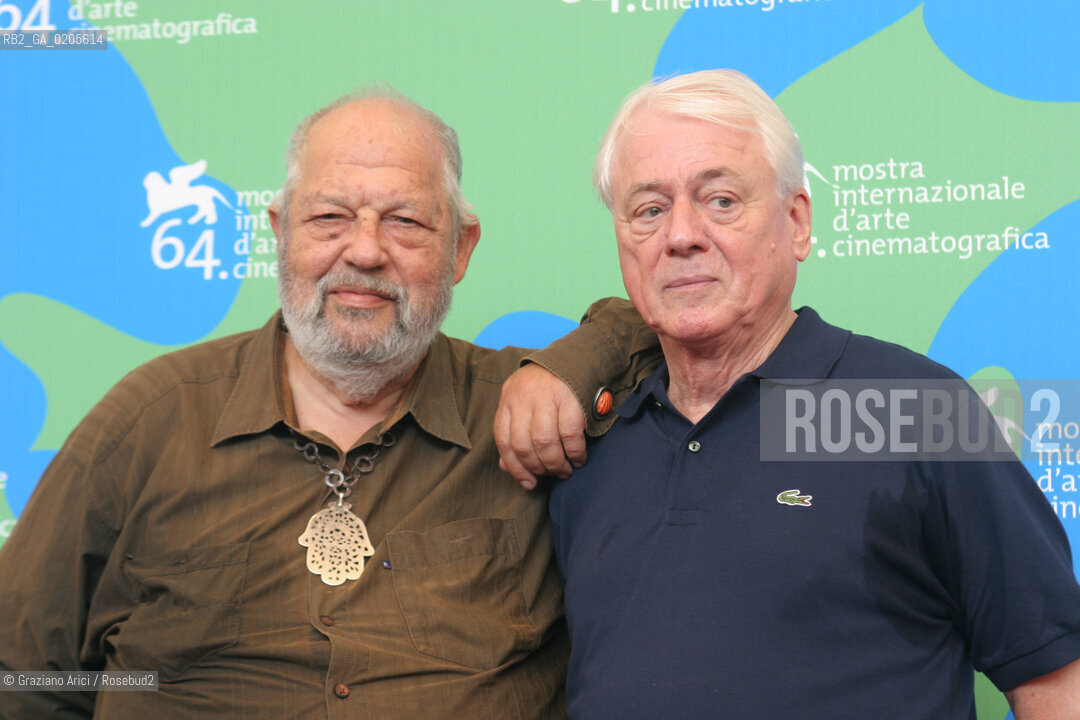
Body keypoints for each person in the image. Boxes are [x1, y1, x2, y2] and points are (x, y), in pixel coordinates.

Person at [0, 88, 657, 718]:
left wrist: (575, 362)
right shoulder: (147, 423)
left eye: (405, 221)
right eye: (329, 218)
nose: (365, 251)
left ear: (460, 249)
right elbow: (22, 678)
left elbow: (694, 335)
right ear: (281, 233)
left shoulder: (524, 418)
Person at [495, 70, 1080, 719]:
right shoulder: (591, 445)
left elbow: (1056, 682)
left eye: (720, 200)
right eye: (649, 209)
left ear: (796, 221)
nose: (680, 235)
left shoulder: (914, 410)